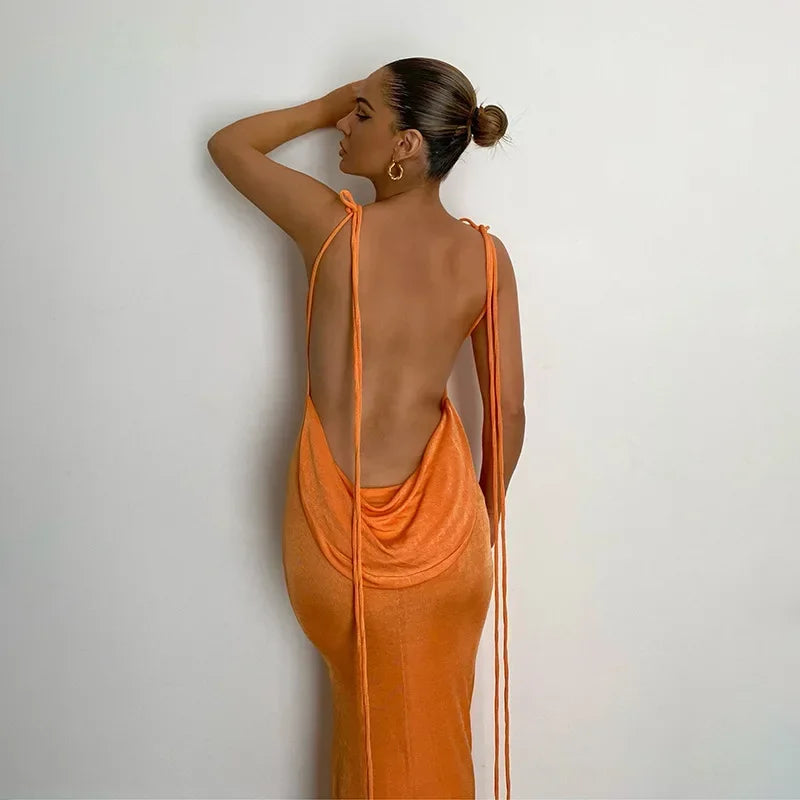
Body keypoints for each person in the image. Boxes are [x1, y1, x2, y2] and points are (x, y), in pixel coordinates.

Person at [207, 56, 525, 800]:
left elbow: (230, 145)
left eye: (361, 114)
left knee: (369, 733)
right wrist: (483, 523)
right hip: (448, 541)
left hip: (336, 538)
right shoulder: (485, 257)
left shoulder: (331, 228)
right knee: (434, 732)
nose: (343, 127)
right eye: (346, 111)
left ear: (406, 145)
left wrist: (316, 106)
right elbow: (507, 413)